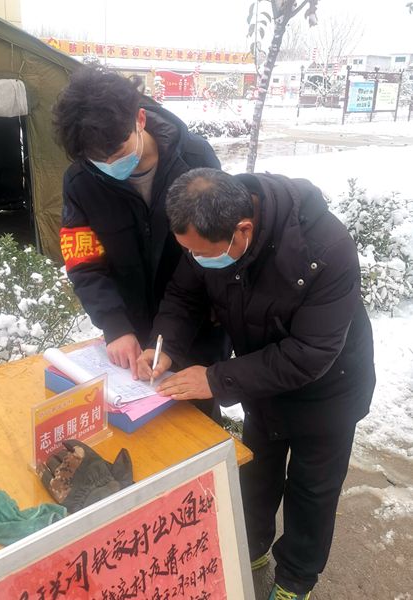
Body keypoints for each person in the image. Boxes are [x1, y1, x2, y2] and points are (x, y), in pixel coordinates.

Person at [136, 168, 376, 600]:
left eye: (202, 254)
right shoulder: (207, 231)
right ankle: (250, 548)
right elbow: (184, 295)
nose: (196, 260)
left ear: (243, 230)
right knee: (257, 474)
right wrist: (164, 345)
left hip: (330, 390)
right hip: (261, 381)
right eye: (189, 252)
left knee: (312, 489)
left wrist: (215, 379)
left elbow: (310, 353)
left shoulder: (326, 248)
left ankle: (295, 579)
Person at [53, 67, 228, 412]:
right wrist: (115, 326)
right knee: (137, 426)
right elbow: (83, 261)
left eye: (118, 151)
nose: (110, 164)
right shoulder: (81, 182)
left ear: (140, 119)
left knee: (196, 425)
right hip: (130, 335)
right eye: (97, 159)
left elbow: (211, 247)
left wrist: (176, 334)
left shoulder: (195, 160)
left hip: (196, 328)